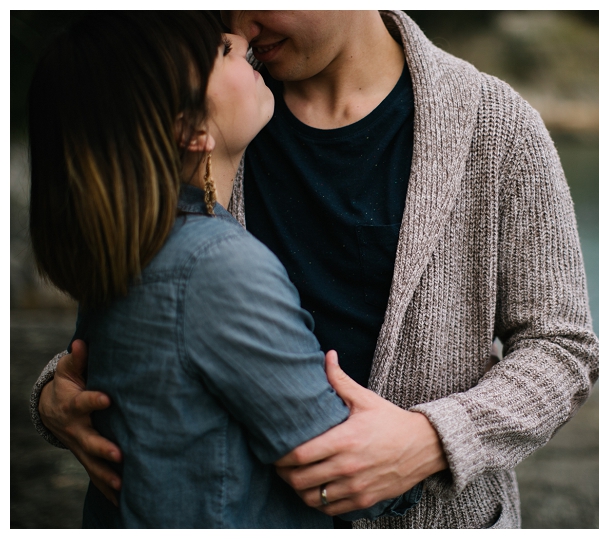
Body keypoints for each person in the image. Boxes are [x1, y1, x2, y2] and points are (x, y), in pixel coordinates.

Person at [32, 10, 599, 528]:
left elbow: (563, 347)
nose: (241, 25)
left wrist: (433, 440)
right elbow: (130, 296)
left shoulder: (497, 127)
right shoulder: (211, 104)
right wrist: (57, 399)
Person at [26, 11, 419, 528]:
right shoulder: (219, 267)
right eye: (220, 51)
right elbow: (339, 472)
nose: (240, 36)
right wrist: (417, 455)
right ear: (189, 128)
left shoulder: (131, 240)